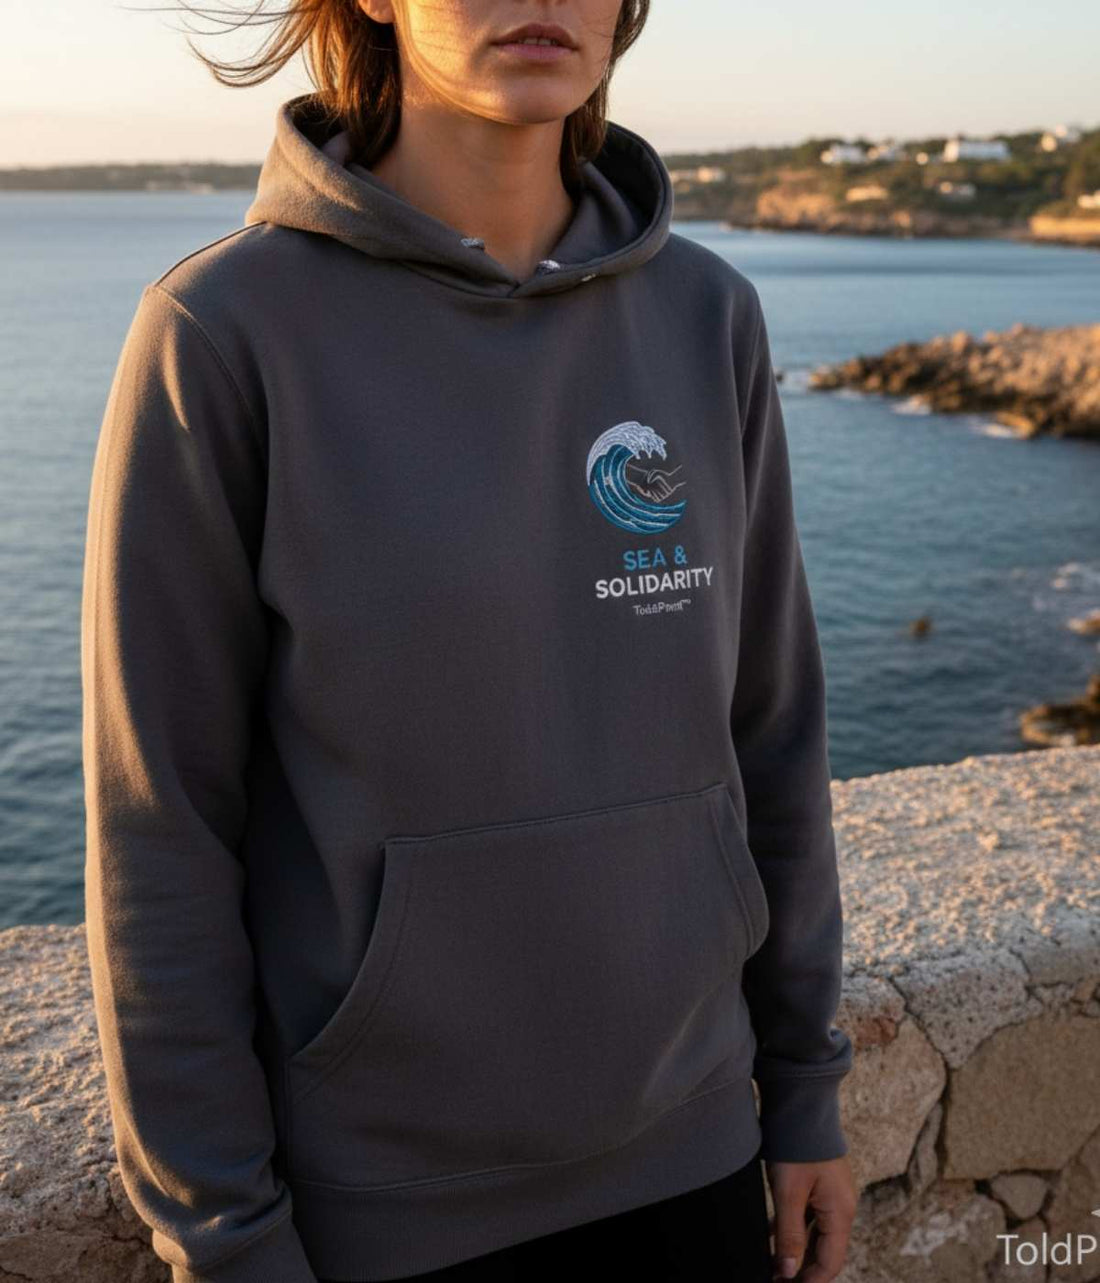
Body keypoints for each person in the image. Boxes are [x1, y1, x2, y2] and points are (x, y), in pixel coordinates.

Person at [79, 2, 858, 1281]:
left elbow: (770, 731)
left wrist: (803, 1085)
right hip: (383, 1214)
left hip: (702, 1156)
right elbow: (159, 829)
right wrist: (222, 1231)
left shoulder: (708, 315)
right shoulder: (223, 336)